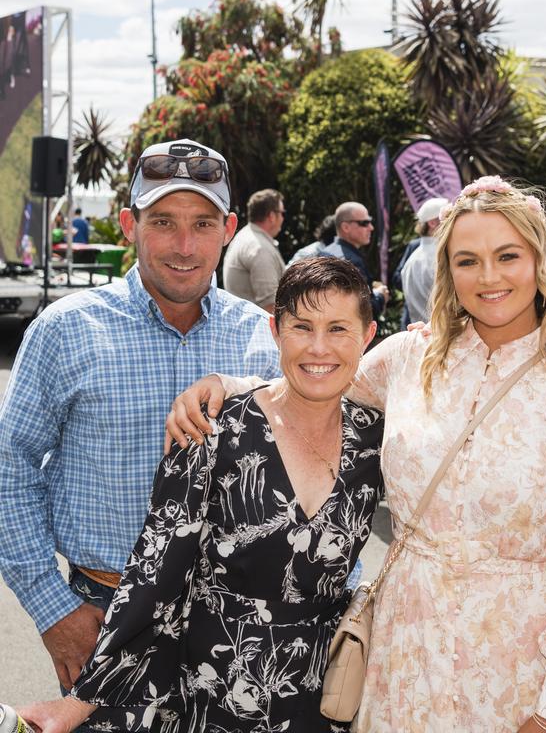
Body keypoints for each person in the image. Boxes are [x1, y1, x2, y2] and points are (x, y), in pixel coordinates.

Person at [167, 176, 546, 733]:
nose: (489, 277)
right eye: (467, 260)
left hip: (517, 668)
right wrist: (224, 384)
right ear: (447, 270)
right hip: (403, 654)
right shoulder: (410, 356)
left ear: (539, 259)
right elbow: (315, 380)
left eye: (508, 256)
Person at [19, 257, 384, 733]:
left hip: (325, 695)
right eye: (302, 326)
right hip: (210, 694)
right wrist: (80, 702)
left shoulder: (378, 441)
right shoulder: (213, 430)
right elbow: (154, 577)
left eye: (338, 328)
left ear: (368, 335)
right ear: (275, 331)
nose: (319, 347)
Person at [0, 137, 279, 720]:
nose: (184, 245)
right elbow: (9, 469)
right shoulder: (66, 330)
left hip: (240, 627)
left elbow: (316, 477)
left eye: (202, 223)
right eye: (163, 222)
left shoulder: (266, 339)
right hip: (102, 617)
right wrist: (53, 608)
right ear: (129, 223)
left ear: (228, 228)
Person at [223, 188, 287, 312]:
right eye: (282, 213)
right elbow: (271, 306)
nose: (283, 218)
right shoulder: (260, 248)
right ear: (272, 216)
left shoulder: (246, 237)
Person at [324, 202, 388, 319]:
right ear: (346, 227)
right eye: (364, 223)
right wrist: (380, 296)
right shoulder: (352, 262)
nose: (371, 228)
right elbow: (364, 311)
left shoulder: (324, 253)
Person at [400, 196, 446, 325]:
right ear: (432, 223)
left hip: (425, 334)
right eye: (448, 216)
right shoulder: (440, 256)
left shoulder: (413, 259)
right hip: (442, 334)